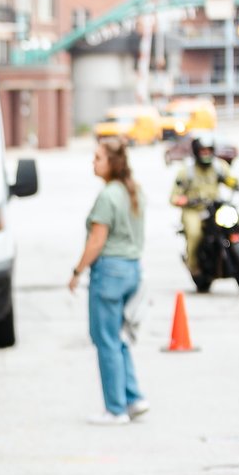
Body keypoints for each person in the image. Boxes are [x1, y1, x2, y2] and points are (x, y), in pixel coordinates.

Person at [69, 137, 149, 426]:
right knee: (118, 337)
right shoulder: (133, 190)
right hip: (132, 270)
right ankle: (133, 397)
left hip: (110, 273)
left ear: (112, 163)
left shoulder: (108, 196)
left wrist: (77, 271)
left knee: (105, 339)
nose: (93, 162)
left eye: (98, 158)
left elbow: (97, 240)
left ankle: (115, 409)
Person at [171, 135, 239, 277]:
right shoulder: (186, 171)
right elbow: (174, 196)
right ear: (196, 152)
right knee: (194, 233)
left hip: (215, 207)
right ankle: (193, 265)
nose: (206, 154)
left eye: (208, 151)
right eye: (203, 151)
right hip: (194, 210)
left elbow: (230, 180)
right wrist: (180, 200)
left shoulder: (218, 166)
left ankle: (237, 250)